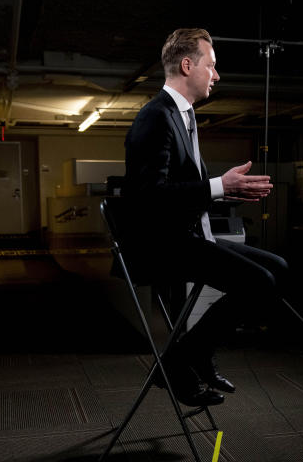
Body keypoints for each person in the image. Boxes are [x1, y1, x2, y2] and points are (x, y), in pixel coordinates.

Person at [121, 28, 289, 407]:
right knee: (259, 282)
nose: (216, 75)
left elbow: (184, 193)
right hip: (162, 245)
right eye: (211, 66)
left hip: (189, 236)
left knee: (278, 268)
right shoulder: (156, 117)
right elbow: (149, 198)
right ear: (186, 65)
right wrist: (217, 186)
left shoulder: (183, 117)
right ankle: (184, 360)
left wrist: (228, 190)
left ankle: (189, 356)